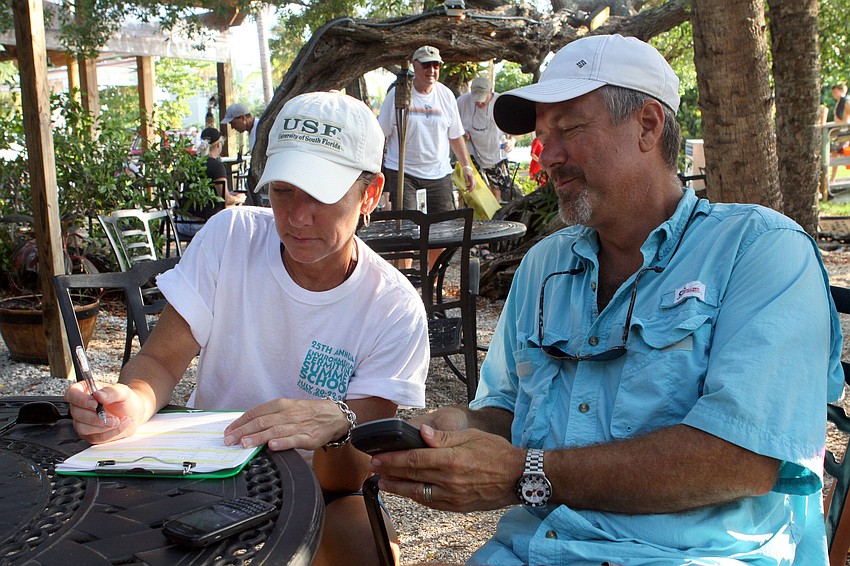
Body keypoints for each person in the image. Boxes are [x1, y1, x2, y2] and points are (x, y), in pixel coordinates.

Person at [368, 34, 845, 564]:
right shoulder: (543, 267)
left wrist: (525, 474)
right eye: (541, 137)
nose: (546, 156)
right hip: (534, 551)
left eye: (568, 129)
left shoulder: (758, 250)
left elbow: (742, 458)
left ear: (647, 125)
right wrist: (460, 426)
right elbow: (507, 408)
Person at [65, 91, 430, 566]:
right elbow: (161, 359)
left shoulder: (392, 306)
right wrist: (131, 401)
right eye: (282, 190)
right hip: (204, 467)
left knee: (370, 552)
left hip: (321, 486)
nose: (298, 217)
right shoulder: (230, 236)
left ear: (370, 195)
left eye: (321, 195)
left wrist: (338, 424)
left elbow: (352, 476)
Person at [377, 45, 475, 213]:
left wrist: (466, 166)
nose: (431, 70)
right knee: (408, 225)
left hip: (438, 172)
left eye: (436, 65)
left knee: (444, 225)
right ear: (414, 65)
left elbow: (455, 135)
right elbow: (381, 135)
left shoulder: (446, 95)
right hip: (403, 171)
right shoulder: (398, 94)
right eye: (426, 65)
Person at [176, 127, 247, 240]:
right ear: (219, 145)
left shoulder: (189, 163)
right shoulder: (216, 166)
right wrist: (239, 198)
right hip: (205, 226)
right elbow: (225, 199)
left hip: (182, 223)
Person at [457, 76, 516, 201]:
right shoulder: (462, 101)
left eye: (483, 99)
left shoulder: (501, 102)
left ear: (491, 92)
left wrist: (512, 140)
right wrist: (462, 133)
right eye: (476, 100)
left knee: (497, 193)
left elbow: (515, 128)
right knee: (471, 191)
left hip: (496, 155)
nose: (479, 103)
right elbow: (453, 126)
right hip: (471, 153)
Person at [830, 83, 850, 183]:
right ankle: (832, 179)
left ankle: (832, 179)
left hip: (845, 132)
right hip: (840, 132)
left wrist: (844, 122)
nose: (834, 94)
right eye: (833, 92)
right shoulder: (838, 103)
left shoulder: (846, 101)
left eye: (835, 91)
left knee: (839, 153)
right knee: (835, 154)